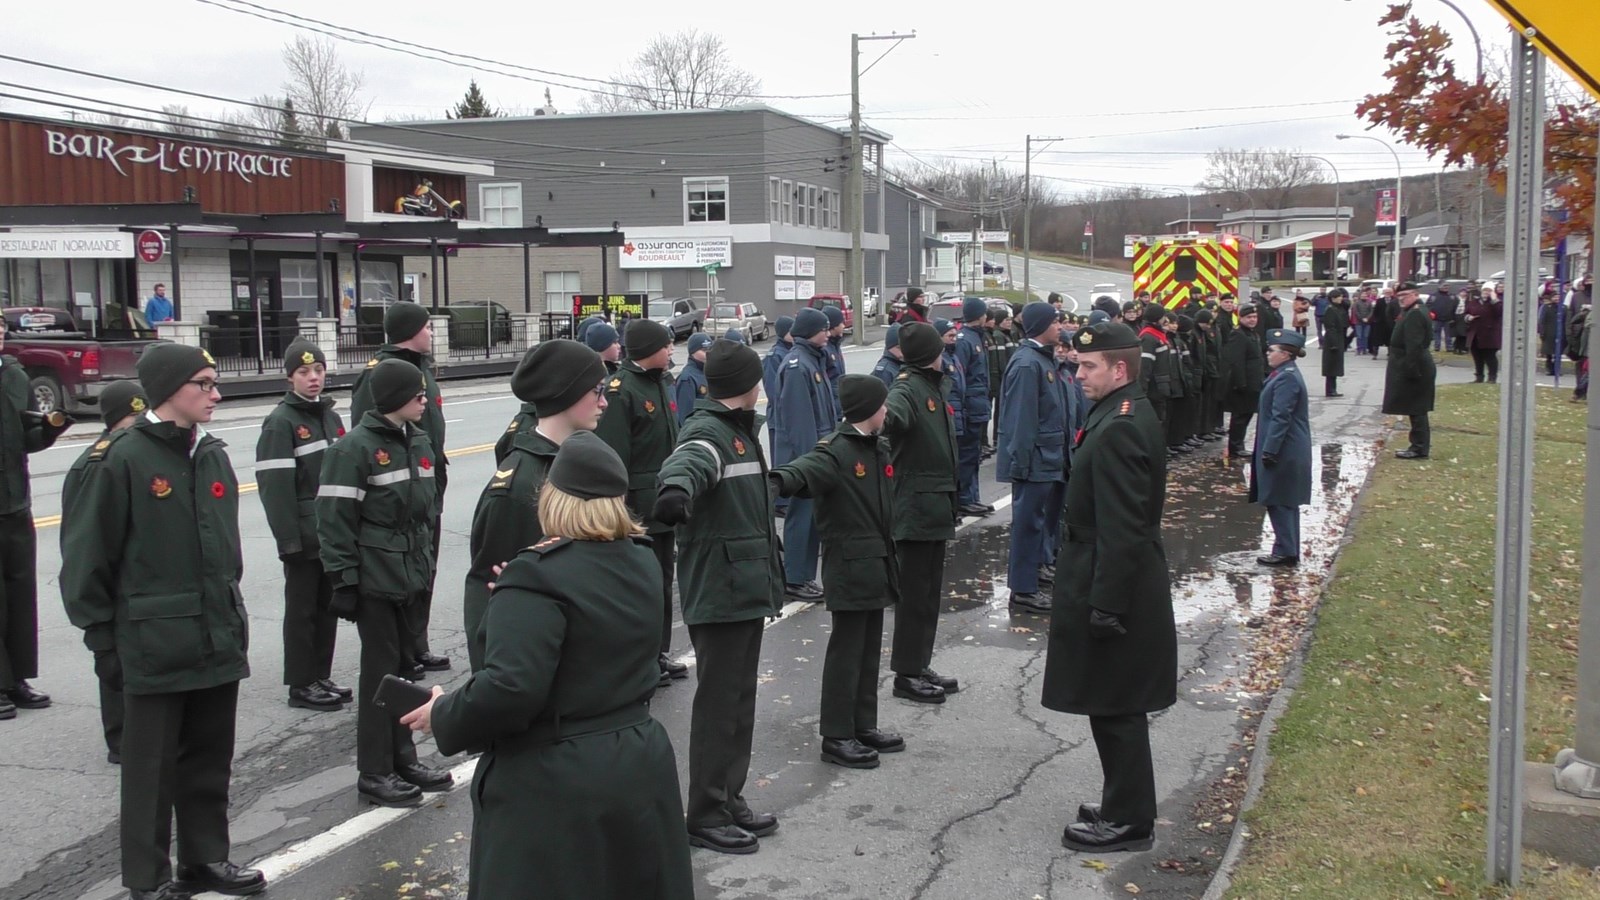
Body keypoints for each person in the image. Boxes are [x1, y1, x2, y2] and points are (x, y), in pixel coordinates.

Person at [401, 432, 694, 900]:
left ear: (554, 498)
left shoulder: (536, 573)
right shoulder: (640, 560)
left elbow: (510, 689)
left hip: (558, 779)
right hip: (638, 758)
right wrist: (518, 599)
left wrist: (443, 712)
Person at [61, 343, 265, 899]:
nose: (216, 394)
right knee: (149, 771)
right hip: (152, 640)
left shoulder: (212, 453)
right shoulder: (120, 459)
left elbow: (225, 550)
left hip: (215, 631)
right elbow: (86, 559)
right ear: (171, 388)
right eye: (204, 383)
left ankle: (205, 859)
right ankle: (147, 879)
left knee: (208, 759)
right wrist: (103, 640)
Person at [1042, 320, 1174, 855]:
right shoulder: (1119, 412)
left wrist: (1106, 603)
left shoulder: (1121, 426)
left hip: (1113, 581)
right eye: (1076, 364)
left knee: (1118, 706)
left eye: (1089, 366)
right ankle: (1124, 803)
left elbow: (1124, 527)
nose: (1078, 374)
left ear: (1120, 369)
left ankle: (1129, 820)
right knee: (1111, 703)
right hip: (1104, 571)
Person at [654, 340, 785, 855]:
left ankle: (729, 797)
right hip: (723, 586)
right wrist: (676, 492)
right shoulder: (710, 431)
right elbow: (690, 461)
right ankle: (705, 812)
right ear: (749, 386)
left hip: (745, 584)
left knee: (739, 700)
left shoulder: (737, 431)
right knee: (718, 704)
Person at [318, 358, 453, 808]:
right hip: (376, 577)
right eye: (415, 394)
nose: (424, 400)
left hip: (410, 573)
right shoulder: (353, 448)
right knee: (381, 675)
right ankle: (374, 771)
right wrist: (344, 579)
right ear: (394, 398)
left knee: (405, 671)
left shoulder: (418, 440)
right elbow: (334, 520)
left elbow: (425, 512)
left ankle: (403, 758)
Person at [770, 374, 903, 770]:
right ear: (868, 410)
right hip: (849, 566)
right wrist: (774, 482)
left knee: (867, 651)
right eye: (882, 405)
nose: (886, 411)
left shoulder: (876, 447)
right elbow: (802, 471)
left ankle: (863, 724)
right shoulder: (836, 451)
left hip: (877, 563)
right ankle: (837, 735)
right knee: (847, 653)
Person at [464, 340, 607, 672]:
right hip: (539, 661)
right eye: (596, 391)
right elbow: (487, 592)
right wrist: (491, 681)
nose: (604, 402)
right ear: (567, 394)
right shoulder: (521, 485)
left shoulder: (576, 461)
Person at [349, 302, 450, 677]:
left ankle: (417, 643)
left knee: (424, 565)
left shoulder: (421, 368)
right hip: (395, 486)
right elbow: (365, 431)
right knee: (401, 569)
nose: (432, 333)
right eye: (428, 327)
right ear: (411, 330)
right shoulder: (382, 373)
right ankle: (401, 650)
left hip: (425, 478)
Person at [255, 339, 349, 713]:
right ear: (290, 376)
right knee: (302, 610)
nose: (313, 378)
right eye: (304, 372)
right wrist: (288, 540)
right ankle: (300, 682)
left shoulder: (330, 416)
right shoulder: (281, 423)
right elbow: (274, 488)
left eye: (319, 370)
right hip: (305, 536)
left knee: (328, 606)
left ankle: (319, 674)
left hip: (331, 532)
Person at [594, 319, 687, 684]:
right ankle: (639, 660)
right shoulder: (622, 390)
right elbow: (614, 457)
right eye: (666, 346)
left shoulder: (662, 383)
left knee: (662, 582)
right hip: (635, 508)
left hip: (661, 504)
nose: (671, 351)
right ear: (649, 350)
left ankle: (658, 653)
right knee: (638, 586)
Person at [60, 380, 147, 763]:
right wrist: (91, 619)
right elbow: (83, 549)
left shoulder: (137, 457)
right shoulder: (97, 464)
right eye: (133, 416)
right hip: (108, 589)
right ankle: (122, 740)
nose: (140, 423)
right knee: (114, 664)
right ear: (114, 421)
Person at [881, 322, 960, 704]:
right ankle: (906, 674)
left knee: (928, 594)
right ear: (930, 354)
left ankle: (919, 662)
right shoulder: (908, 389)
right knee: (914, 596)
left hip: (933, 506)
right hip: (914, 508)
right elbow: (885, 422)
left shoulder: (929, 385)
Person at [0, 314, 72, 720]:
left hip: (15, 501)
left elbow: (26, 437)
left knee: (19, 594)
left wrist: (48, 430)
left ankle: (17, 680)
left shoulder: (15, 377)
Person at [996, 302, 1065, 614]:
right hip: (1034, 459)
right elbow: (1022, 420)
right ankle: (1023, 590)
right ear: (1041, 326)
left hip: (1048, 456)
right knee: (1028, 524)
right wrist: (1021, 464)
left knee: (1040, 522)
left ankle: (1036, 571)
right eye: (1055, 322)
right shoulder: (1028, 364)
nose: (1060, 326)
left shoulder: (1041, 359)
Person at [774, 308, 837, 601]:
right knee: (801, 517)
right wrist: (813, 461)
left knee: (813, 518)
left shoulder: (814, 359)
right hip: (805, 457)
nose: (828, 333)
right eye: (823, 329)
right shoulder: (798, 366)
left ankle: (804, 575)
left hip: (816, 452)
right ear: (810, 331)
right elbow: (800, 422)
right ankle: (795, 577)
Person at [1251, 330, 1312, 566]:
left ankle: (1286, 551)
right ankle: (1287, 547)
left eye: (1272, 350)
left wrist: (1270, 449)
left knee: (1279, 499)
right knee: (1284, 499)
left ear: (1285, 354)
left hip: (1284, 449)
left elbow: (1281, 417)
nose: (1268, 353)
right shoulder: (1283, 373)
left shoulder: (1286, 378)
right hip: (1285, 447)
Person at [1383, 282, 1437, 460]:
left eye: (1404, 295)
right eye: (1398, 296)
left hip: (1416, 366)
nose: (1401, 299)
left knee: (1417, 408)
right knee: (1416, 408)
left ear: (1415, 294)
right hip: (1414, 363)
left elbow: (1414, 346)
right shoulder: (1413, 310)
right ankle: (1418, 445)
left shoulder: (1415, 313)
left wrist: (1411, 371)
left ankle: (1419, 448)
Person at [953, 298, 993, 515]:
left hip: (979, 406)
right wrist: (964, 408)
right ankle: (964, 498)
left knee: (973, 454)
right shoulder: (965, 341)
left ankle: (973, 496)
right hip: (971, 407)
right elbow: (960, 378)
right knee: (966, 455)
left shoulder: (978, 338)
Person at [1221, 304, 1266, 458]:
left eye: (1254, 317)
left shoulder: (1252, 334)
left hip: (1254, 381)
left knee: (1247, 415)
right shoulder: (1238, 334)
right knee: (1240, 416)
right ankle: (1235, 447)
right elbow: (1236, 361)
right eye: (1249, 317)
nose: (1253, 320)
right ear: (1241, 318)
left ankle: (1239, 444)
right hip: (1243, 384)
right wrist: (1241, 383)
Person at [1465, 284, 1503, 383]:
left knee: (1490, 357)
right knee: (1477, 357)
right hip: (1475, 333)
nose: (1486, 293)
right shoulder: (1474, 302)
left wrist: (1494, 300)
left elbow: (1499, 312)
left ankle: (1492, 377)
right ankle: (1479, 376)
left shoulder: (1496, 303)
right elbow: (1466, 313)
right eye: (1485, 290)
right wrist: (1468, 317)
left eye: (1489, 291)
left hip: (1490, 335)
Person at [674, 332, 713, 426]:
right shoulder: (687, 379)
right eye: (704, 350)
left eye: (710, 350)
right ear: (692, 352)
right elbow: (685, 415)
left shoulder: (708, 372)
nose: (708, 354)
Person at [1321, 288, 1351, 397]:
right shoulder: (1330, 309)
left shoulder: (1338, 308)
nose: (1341, 299)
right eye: (1339, 297)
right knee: (1331, 367)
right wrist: (1334, 343)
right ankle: (1330, 390)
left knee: (1335, 367)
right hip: (1332, 341)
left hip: (1338, 339)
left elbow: (1347, 304)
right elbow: (1330, 327)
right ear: (1333, 298)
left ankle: (1332, 389)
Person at [821, 304, 847, 400]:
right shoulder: (824, 349)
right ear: (834, 326)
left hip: (839, 401)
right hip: (831, 402)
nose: (844, 326)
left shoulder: (835, 345)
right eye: (841, 323)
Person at [872, 324, 904, 388]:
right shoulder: (884, 371)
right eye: (898, 348)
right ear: (889, 347)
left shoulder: (901, 363)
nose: (903, 352)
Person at [1352, 290, 1374, 356]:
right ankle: (1359, 349)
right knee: (1359, 336)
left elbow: (1371, 311)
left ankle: (1364, 349)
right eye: (1362, 295)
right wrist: (1362, 318)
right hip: (1359, 322)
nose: (1364, 296)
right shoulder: (1356, 303)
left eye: (1365, 295)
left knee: (1366, 336)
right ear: (1360, 296)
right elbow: (1356, 312)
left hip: (1367, 322)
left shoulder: (1369, 302)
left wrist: (1367, 318)